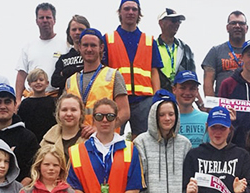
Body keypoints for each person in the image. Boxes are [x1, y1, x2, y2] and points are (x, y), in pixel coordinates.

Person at [107, 0, 164, 137]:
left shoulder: (149, 41)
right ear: (120, 12)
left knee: (143, 140)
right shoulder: (108, 39)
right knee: (111, 138)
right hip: (117, 98)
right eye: (127, 9)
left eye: (134, 9)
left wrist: (156, 97)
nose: (130, 12)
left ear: (139, 13)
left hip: (143, 100)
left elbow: (154, 71)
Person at [62, 28, 131, 139]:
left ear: (101, 48)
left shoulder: (113, 75)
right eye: (85, 45)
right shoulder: (70, 81)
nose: (89, 49)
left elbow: (125, 112)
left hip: (105, 140)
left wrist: (99, 128)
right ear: (79, 47)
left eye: (93, 45)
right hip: (76, 139)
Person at [202, 10, 250, 97]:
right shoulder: (215, 51)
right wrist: (212, 106)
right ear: (227, 27)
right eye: (233, 23)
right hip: (224, 103)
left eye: (241, 23)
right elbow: (208, 83)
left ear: (246, 28)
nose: (237, 26)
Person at [16, 3, 69, 101]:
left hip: (56, 98)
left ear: (54, 20)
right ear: (36, 21)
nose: (45, 20)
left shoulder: (65, 45)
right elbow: (21, 74)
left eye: (48, 17)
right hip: (32, 99)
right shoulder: (28, 47)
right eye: (41, 18)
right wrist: (18, 99)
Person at [156, 8, 196, 91]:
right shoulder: (152, 46)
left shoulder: (185, 49)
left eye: (179, 21)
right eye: (173, 21)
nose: (177, 24)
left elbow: (192, 76)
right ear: (161, 23)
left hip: (181, 95)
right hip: (159, 94)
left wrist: (200, 102)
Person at [40, 93, 85, 160]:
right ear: (58, 113)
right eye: (64, 110)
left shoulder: (90, 140)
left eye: (73, 110)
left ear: (81, 113)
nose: (69, 114)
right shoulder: (46, 141)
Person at [51, 15, 90, 90]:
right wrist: (79, 70)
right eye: (74, 30)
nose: (77, 32)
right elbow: (54, 82)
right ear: (69, 32)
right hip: (67, 98)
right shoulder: (63, 58)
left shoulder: (93, 55)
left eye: (81, 29)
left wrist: (66, 72)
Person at [19, 68, 59, 138]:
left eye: (41, 80)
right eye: (34, 80)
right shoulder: (25, 103)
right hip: (31, 138)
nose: (38, 82)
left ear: (47, 83)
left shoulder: (54, 102)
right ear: (29, 84)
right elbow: (20, 122)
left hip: (50, 138)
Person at [174, 71, 208, 147]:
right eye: (183, 88)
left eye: (192, 89)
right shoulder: (167, 118)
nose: (187, 93)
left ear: (197, 91)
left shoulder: (206, 118)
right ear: (174, 89)